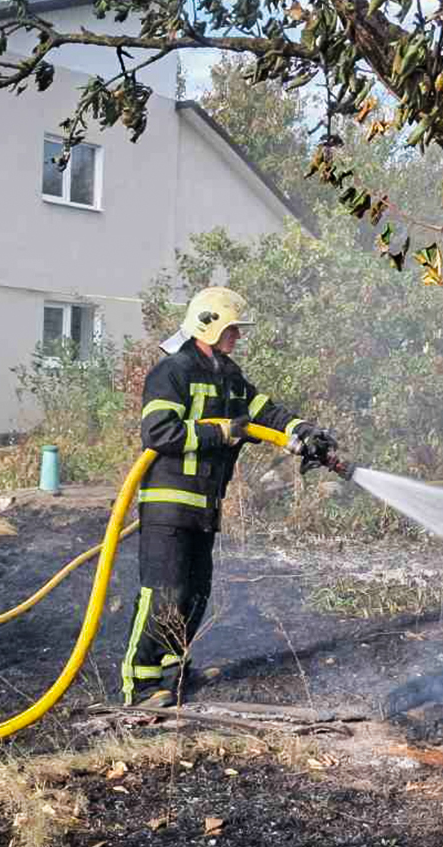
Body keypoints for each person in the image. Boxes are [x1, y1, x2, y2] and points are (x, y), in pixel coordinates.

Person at [119, 287, 335, 707]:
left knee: (194, 591)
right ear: (208, 324)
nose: (237, 335)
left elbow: (265, 412)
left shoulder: (229, 375)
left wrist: (303, 429)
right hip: (170, 501)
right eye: (232, 328)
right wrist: (220, 431)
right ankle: (139, 685)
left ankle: (173, 673)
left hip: (205, 504)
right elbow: (158, 432)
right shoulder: (172, 371)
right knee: (163, 591)